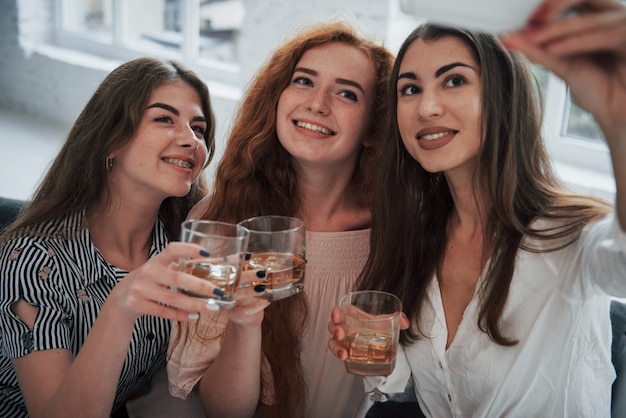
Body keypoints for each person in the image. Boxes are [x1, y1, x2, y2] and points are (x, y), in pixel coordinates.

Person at [328, 0, 626, 416]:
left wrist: (617, 117)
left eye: (453, 81)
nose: (427, 107)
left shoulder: (569, 236)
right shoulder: (416, 235)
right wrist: (381, 355)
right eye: (410, 89)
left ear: (503, 97)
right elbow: (419, 383)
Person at [167, 21, 393, 418]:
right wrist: (244, 322)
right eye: (304, 81)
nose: (317, 103)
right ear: (277, 97)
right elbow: (223, 412)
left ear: (374, 129)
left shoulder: (397, 233)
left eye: (346, 93)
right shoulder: (221, 221)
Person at [0, 56, 226, 418]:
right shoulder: (30, 259)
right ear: (110, 140)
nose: (190, 140)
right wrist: (120, 307)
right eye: (164, 119)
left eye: (199, 129)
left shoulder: (184, 241)